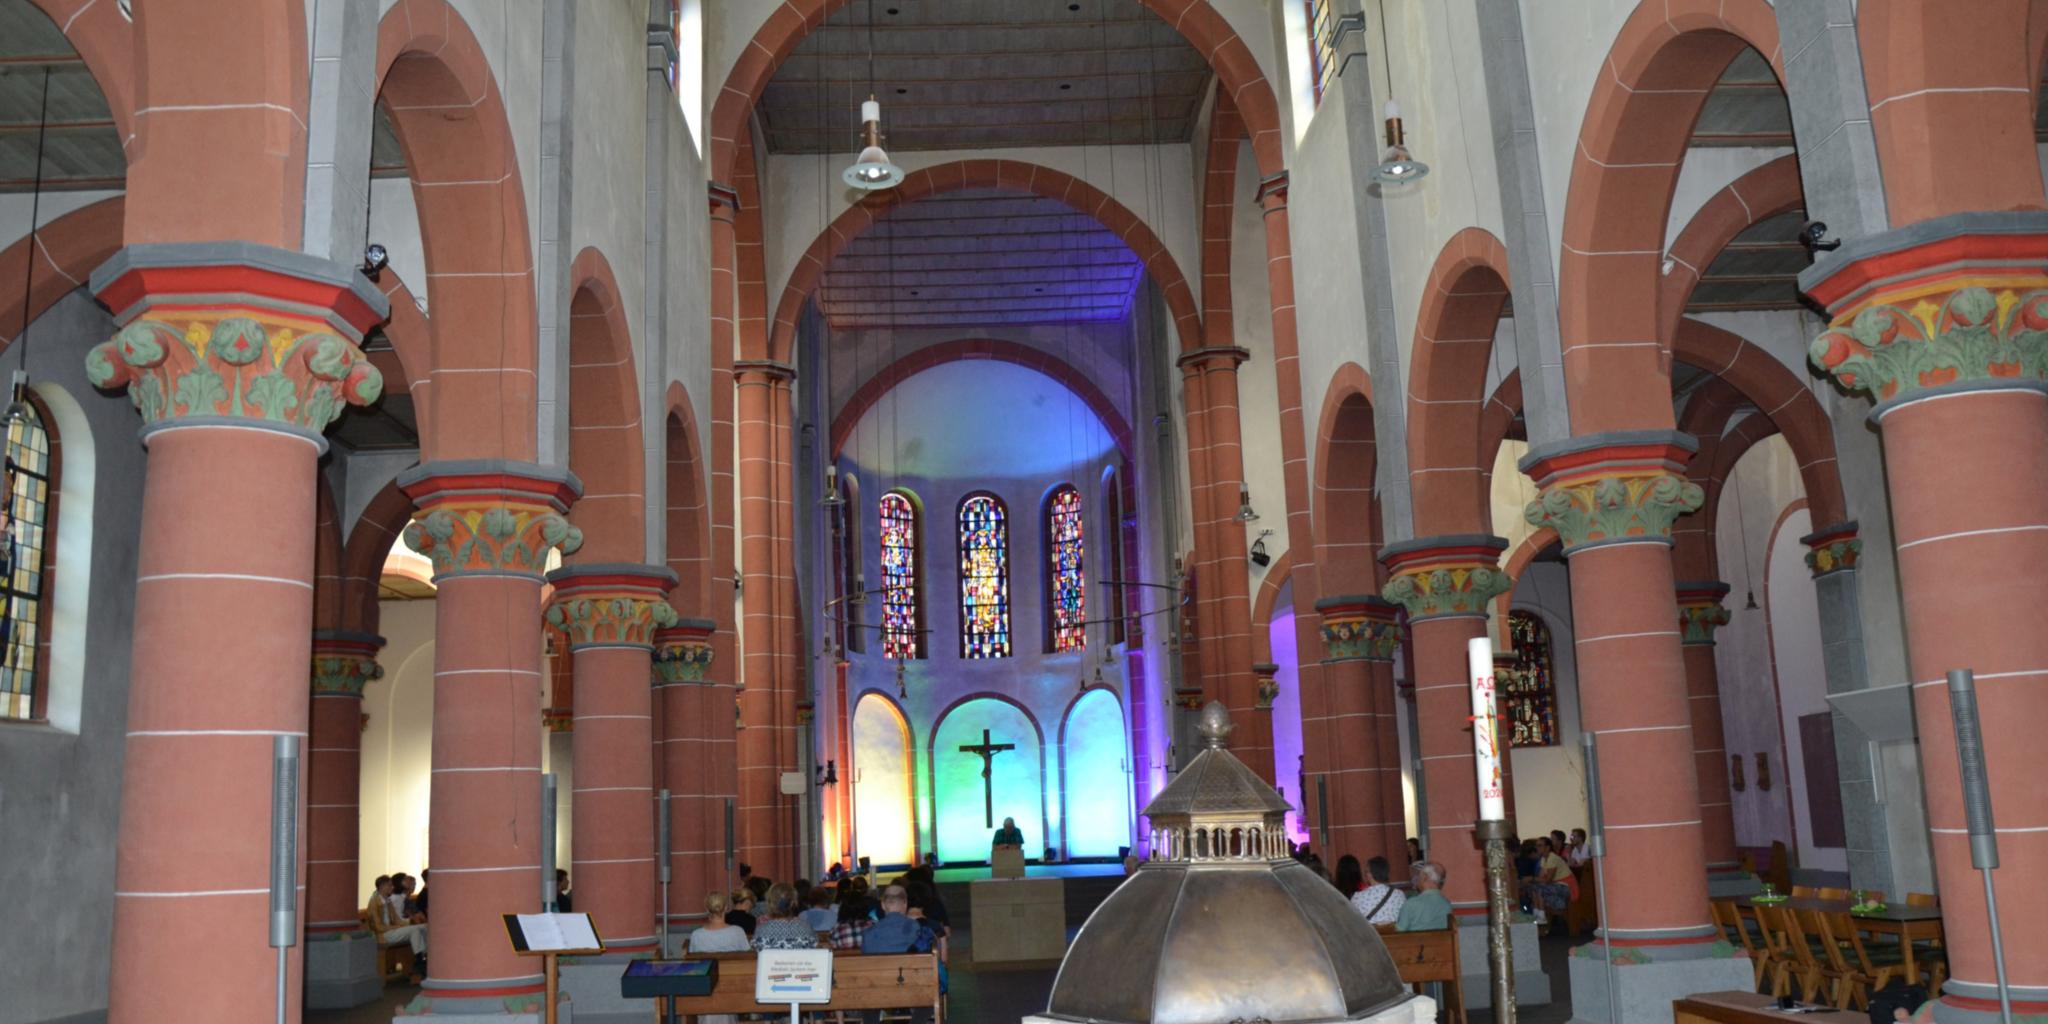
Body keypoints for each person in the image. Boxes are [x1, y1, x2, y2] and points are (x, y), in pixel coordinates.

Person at [861, 885, 939, 1023]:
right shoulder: (915, 928)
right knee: (928, 999)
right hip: (911, 989)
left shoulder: (869, 933)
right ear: (905, 904)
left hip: (877, 991)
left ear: (883, 905)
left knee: (868, 1003)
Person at [687, 893, 750, 1024]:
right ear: (726, 908)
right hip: (735, 987)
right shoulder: (737, 932)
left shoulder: (697, 935)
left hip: (707, 988)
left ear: (706, 909)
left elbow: (693, 964)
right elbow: (747, 958)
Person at [366, 875, 427, 982]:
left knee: (424, 927)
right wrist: (398, 926)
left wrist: (409, 922)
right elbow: (377, 927)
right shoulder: (374, 902)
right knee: (414, 930)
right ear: (381, 886)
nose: (392, 888)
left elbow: (397, 920)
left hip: (392, 931)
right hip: (382, 935)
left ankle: (425, 956)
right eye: (389, 885)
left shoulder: (387, 900)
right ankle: (419, 961)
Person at [1520, 836, 1574, 926]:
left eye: (1540, 845)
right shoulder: (1543, 859)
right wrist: (1530, 880)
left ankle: (1541, 916)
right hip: (1554, 885)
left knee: (1537, 888)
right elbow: (1540, 878)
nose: (1537, 848)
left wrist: (1531, 878)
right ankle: (1537, 915)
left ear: (1548, 847)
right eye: (1536, 846)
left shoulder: (1553, 858)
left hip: (1565, 887)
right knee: (1531, 887)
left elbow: (1548, 880)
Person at [752, 882, 821, 949]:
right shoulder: (806, 927)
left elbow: (757, 954)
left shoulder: (762, 930)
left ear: (770, 903)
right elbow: (815, 947)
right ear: (794, 902)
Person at [1349, 856, 1407, 926]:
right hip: (1394, 935)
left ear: (1370, 875)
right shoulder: (1399, 895)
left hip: (1370, 936)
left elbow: (1353, 922)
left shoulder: (1358, 897)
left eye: (1366, 872)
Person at [1396, 861, 1452, 932]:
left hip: (1415, 942)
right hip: (1441, 942)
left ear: (1424, 877)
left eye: (1419, 876)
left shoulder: (1411, 904)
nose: (1418, 880)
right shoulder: (1446, 904)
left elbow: (1400, 930)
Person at [829, 885, 876, 949]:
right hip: (871, 959)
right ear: (863, 906)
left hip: (843, 959)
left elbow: (833, 949)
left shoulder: (837, 929)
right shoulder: (873, 926)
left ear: (843, 909)